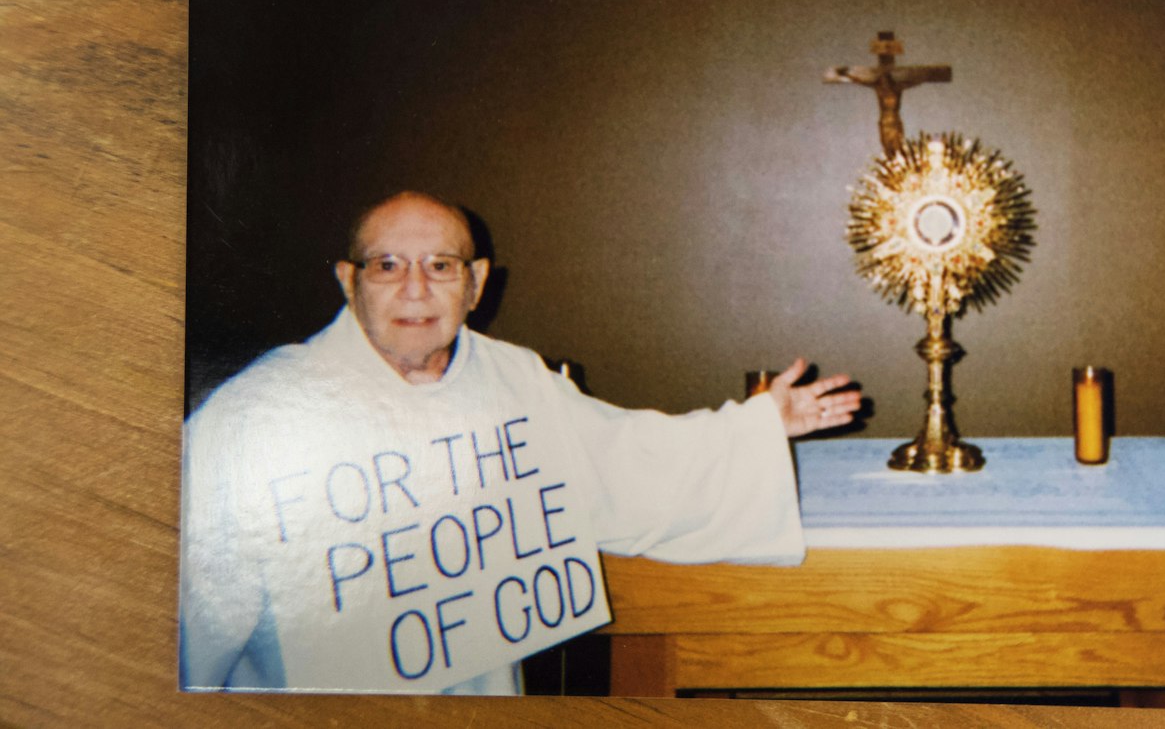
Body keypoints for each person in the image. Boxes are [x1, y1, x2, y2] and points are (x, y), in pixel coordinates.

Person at [181, 191, 861, 695]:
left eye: (441, 265)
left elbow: (621, 460)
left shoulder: (512, 378)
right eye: (387, 264)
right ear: (346, 279)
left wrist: (756, 426)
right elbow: (185, 631)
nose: (415, 288)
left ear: (476, 284)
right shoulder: (255, 416)